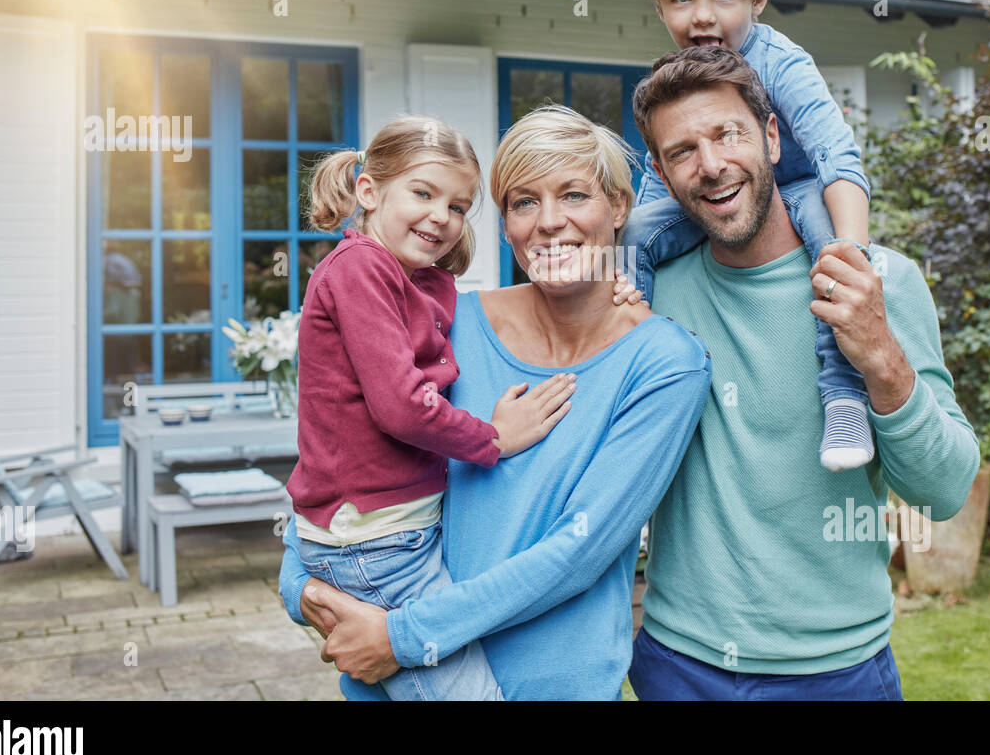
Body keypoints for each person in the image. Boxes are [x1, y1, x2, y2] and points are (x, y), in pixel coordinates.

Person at [279, 106, 712, 700]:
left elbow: (579, 550)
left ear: (618, 208)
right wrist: (299, 585)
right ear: (506, 223)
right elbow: (347, 458)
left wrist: (400, 637)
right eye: (523, 202)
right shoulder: (454, 322)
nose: (549, 222)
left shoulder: (665, 363)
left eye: (574, 195)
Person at [626, 45, 981, 700]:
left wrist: (881, 358)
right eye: (682, 152)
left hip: (839, 672)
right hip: (677, 665)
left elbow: (944, 492)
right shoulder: (648, 297)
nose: (710, 166)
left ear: (769, 135)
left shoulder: (878, 282)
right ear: (660, 172)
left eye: (727, 134)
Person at [290, 116, 587, 700]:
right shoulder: (361, 269)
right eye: (422, 193)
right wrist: (494, 439)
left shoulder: (410, 279)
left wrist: (623, 285)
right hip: (375, 539)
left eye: (458, 206)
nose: (441, 217)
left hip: (388, 532)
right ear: (369, 193)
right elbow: (401, 407)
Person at [624, 0, 875, 472]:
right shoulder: (677, 75)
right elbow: (659, 181)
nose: (703, 17)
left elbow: (836, 154)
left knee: (824, 231)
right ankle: (632, 362)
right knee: (634, 231)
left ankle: (843, 394)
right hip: (714, 200)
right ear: (661, 6)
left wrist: (851, 250)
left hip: (793, 189)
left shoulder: (782, 62)